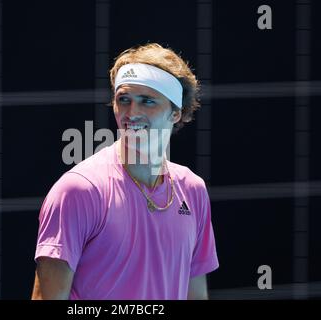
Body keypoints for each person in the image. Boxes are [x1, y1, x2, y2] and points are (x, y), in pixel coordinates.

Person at [31, 43, 219, 300]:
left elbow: (195, 295)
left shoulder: (193, 190)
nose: (132, 113)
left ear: (176, 113)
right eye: (124, 100)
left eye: (147, 101)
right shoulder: (78, 190)